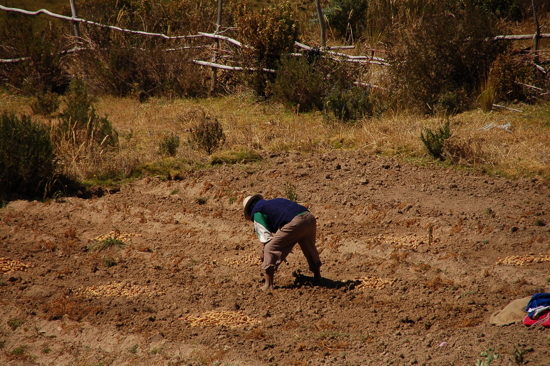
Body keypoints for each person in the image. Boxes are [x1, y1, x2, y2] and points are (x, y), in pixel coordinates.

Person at [243, 194, 322, 290]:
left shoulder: (257, 212)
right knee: (309, 247)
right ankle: (318, 277)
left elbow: (266, 239)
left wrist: (265, 253)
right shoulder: (275, 201)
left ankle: (268, 285)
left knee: (269, 249)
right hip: (309, 217)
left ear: (249, 210)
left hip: (295, 223)